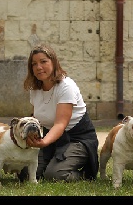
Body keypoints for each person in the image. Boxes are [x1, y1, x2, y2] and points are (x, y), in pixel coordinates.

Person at [21, 43, 99, 182]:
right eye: (34, 64)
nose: (38, 67)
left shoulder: (66, 86)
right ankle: (49, 163)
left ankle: (85, 175)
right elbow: (35, 118)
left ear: (54, 62)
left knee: (55, 175)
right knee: (26, 173)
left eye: (43, 62)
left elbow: (60, 124)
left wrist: (44, 142)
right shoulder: (35, 89)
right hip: (50, 137)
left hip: (76, 139)